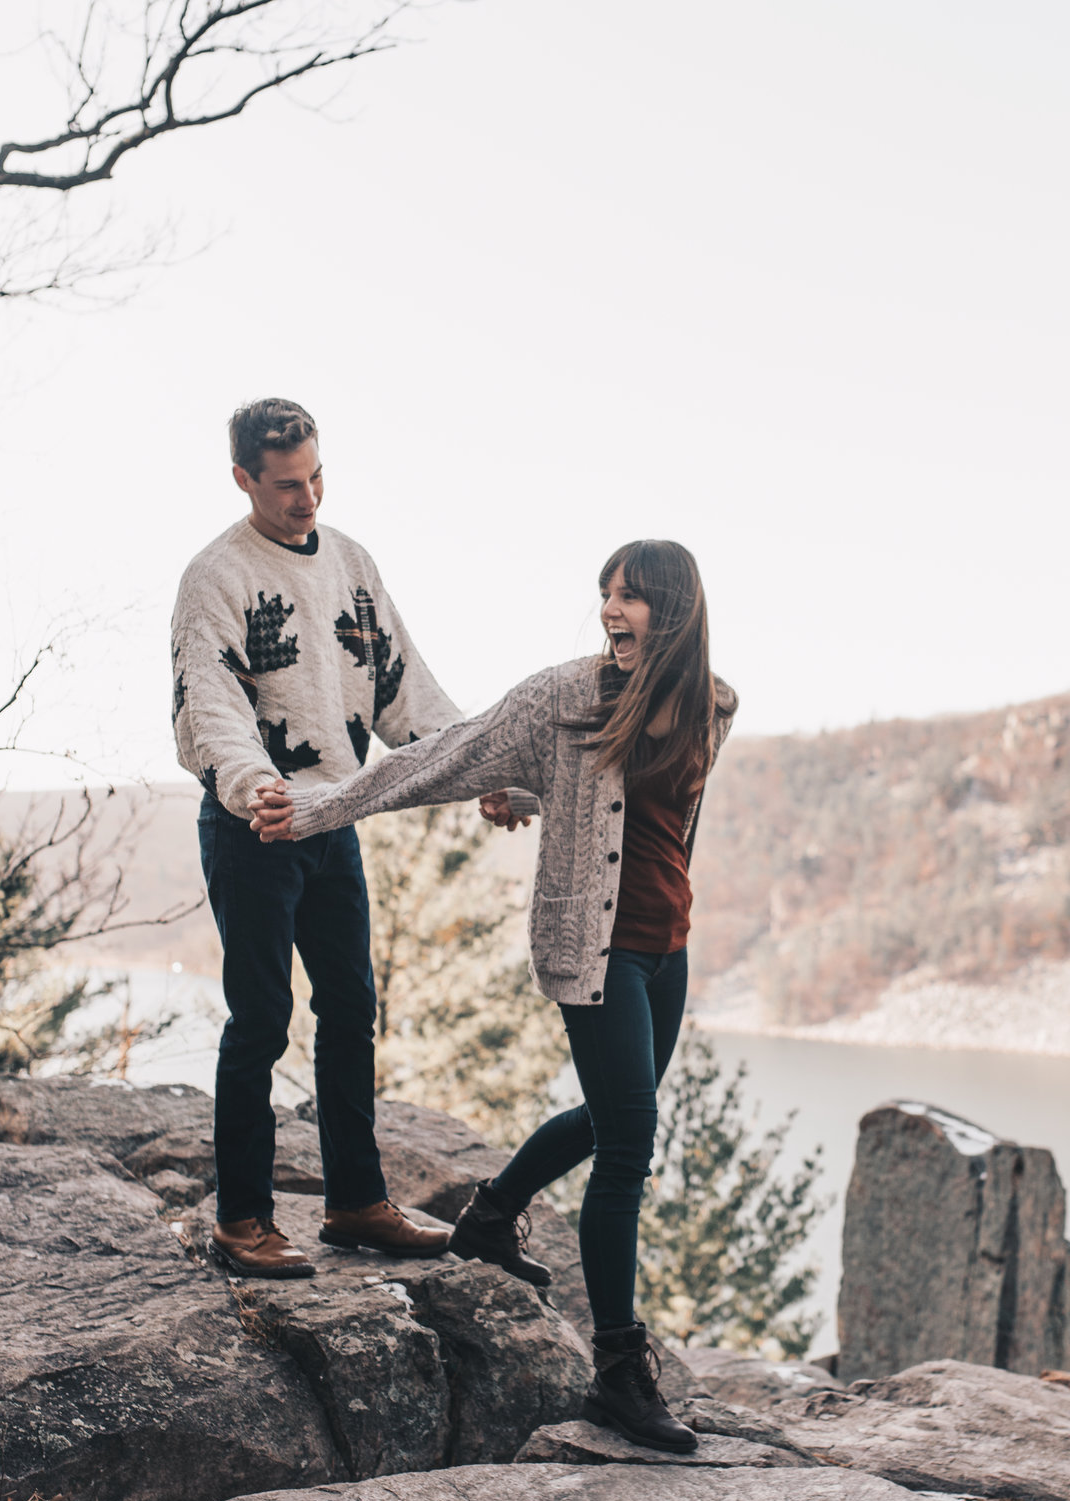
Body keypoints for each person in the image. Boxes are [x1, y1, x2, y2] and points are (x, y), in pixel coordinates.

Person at [246, 538, 735, 1455]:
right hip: (596, 950)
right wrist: (313, 810)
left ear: (674, 609)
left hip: (668, 945)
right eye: (604, 594)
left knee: (609, 1117)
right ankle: (620, 1375)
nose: (608, 611)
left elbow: (630, 815)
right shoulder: (565, 695)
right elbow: (445, 758)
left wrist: (534, 795)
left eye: (628, 598)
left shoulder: (714, 704)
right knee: (629, 1145)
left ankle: (489, 1214)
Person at [170, 397, 461, 1279]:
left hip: (336, 816)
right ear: (243, 479)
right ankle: (243, 1220)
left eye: (317, 476)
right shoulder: (215, 576)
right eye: (288, 485)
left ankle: (355, 1202)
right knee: (261, 1019)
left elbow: (405, 685)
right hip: (253, 826)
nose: (308, 498)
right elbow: (209, 703)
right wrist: (257, 785)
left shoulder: (350, 563)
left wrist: (480, 772)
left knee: (350, 1009)